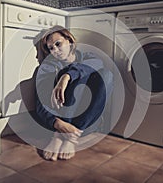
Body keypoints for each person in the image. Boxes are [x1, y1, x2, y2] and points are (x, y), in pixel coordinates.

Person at [32, 25, 113, 161]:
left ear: (69, 41)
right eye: (51, 48)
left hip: (85, 123)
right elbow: (40, 100)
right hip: (60, 122)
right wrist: (56, 123)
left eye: (58, 44)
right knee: (75, 73)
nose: (55, 50)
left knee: (106, 74)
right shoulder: (47, 68)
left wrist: (67, 76)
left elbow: (96, 66)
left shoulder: (89, 57)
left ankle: (69, 138)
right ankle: (60, 135)